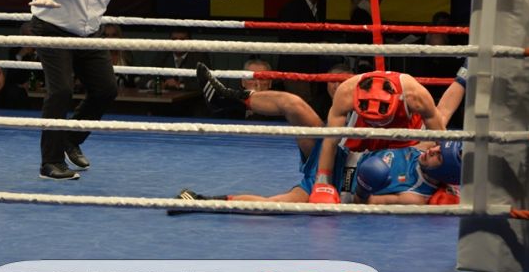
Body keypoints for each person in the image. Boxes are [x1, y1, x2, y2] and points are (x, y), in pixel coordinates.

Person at [29, 0, 229, 180]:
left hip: (90, 31)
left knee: (106, 90)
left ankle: (70, 139)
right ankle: (50, 163)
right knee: (61, 91)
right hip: (53, 27)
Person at [179, 63, 461, 205]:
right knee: (293, 104)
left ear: (444, 171)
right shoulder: (425, 146)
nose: (434, 150)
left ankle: (204, 202)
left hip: (340, 189)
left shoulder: (414, 196)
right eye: (438, 147)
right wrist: (469, 71)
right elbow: (332, 135)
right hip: (335, 155)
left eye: (438, 155)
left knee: (275, 207)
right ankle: (228, 98)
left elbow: (368, 204)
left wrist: (359, 186)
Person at [309, 69, 445, 203]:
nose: (377, 125)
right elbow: (330, 140)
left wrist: (450, 185)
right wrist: (323, 182)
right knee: (353, 166)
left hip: (401, 130)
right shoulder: (347, 92)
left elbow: (442, 142)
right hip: (363, 130)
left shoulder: (415, 96)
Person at [276, 0, 334, 116]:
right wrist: (317, 45)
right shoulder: (292, 7)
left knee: (308, 107)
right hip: (295, 69)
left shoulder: (316, 7)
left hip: (310, 67)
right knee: (301, 108)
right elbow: (287, 40)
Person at [146, 28, 211, 92]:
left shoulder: (199, 56)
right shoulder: (163, 54)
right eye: (174, 39)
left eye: (182, 40)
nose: (178, 43)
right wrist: (156, 84)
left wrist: (180, 85)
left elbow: (206, 83)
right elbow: (144, 79)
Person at [102, 23, 138, 88]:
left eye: (114, 35)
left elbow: (133, 78)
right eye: (107, 35)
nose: (110, 39)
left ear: (119, 36)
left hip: (125, 92)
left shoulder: (126, 54)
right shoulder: (98, 56)